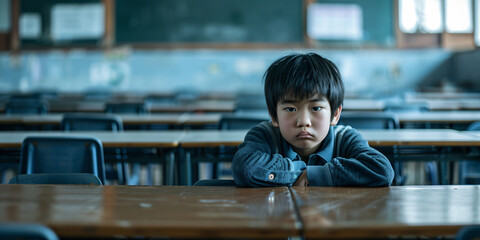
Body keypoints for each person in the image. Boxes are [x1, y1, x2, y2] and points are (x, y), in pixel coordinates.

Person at [232, 53, 394, 187]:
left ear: (335, 114)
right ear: (274, 116)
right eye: (290, 109)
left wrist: (315, 175)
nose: (303, 121)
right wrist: (296, 173)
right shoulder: (265, 135)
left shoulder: (344, 138)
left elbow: (382, 171)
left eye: (315, 108)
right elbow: (246, 169)